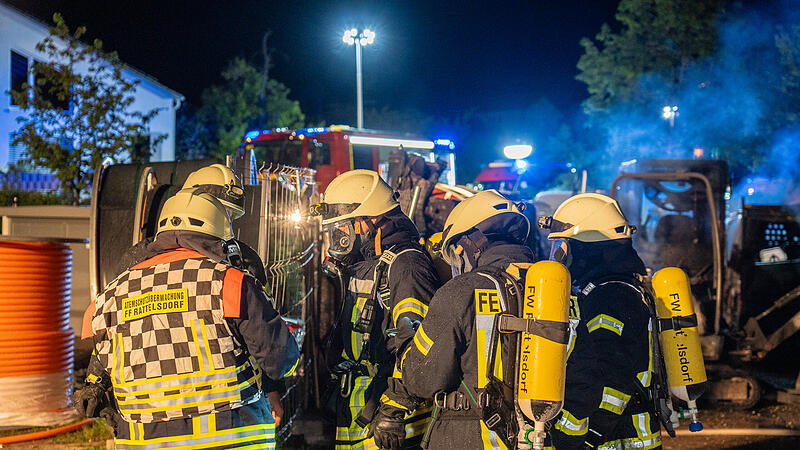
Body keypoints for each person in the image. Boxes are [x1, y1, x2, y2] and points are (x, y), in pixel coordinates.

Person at [80, 188, 300, 449]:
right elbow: (279, 359)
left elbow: (98, 369)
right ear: (218, 236)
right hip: (231, 437)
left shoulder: (108, 298)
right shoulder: (230, 283)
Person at [310, 170, 441, 450]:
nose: (338, 237)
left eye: (343, 228)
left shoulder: (406, 266)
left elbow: (417, 348)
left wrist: (394, 411)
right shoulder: (369, 264)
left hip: (391, 422)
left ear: (368, 221)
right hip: (361, 411)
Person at [400, 189, 534, 449]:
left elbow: (421, 380)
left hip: (471, 437)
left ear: (471, 244)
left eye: (457, 252)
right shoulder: (556, 292)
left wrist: (407, 339)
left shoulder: (462, 290)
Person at [539, 193, 661, 449]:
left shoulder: (611, 296)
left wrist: (588, 435)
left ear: (586, 248)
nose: (559, 257)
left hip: (617, 438)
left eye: (563, 246)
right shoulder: (613, 289)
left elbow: (612, 373)